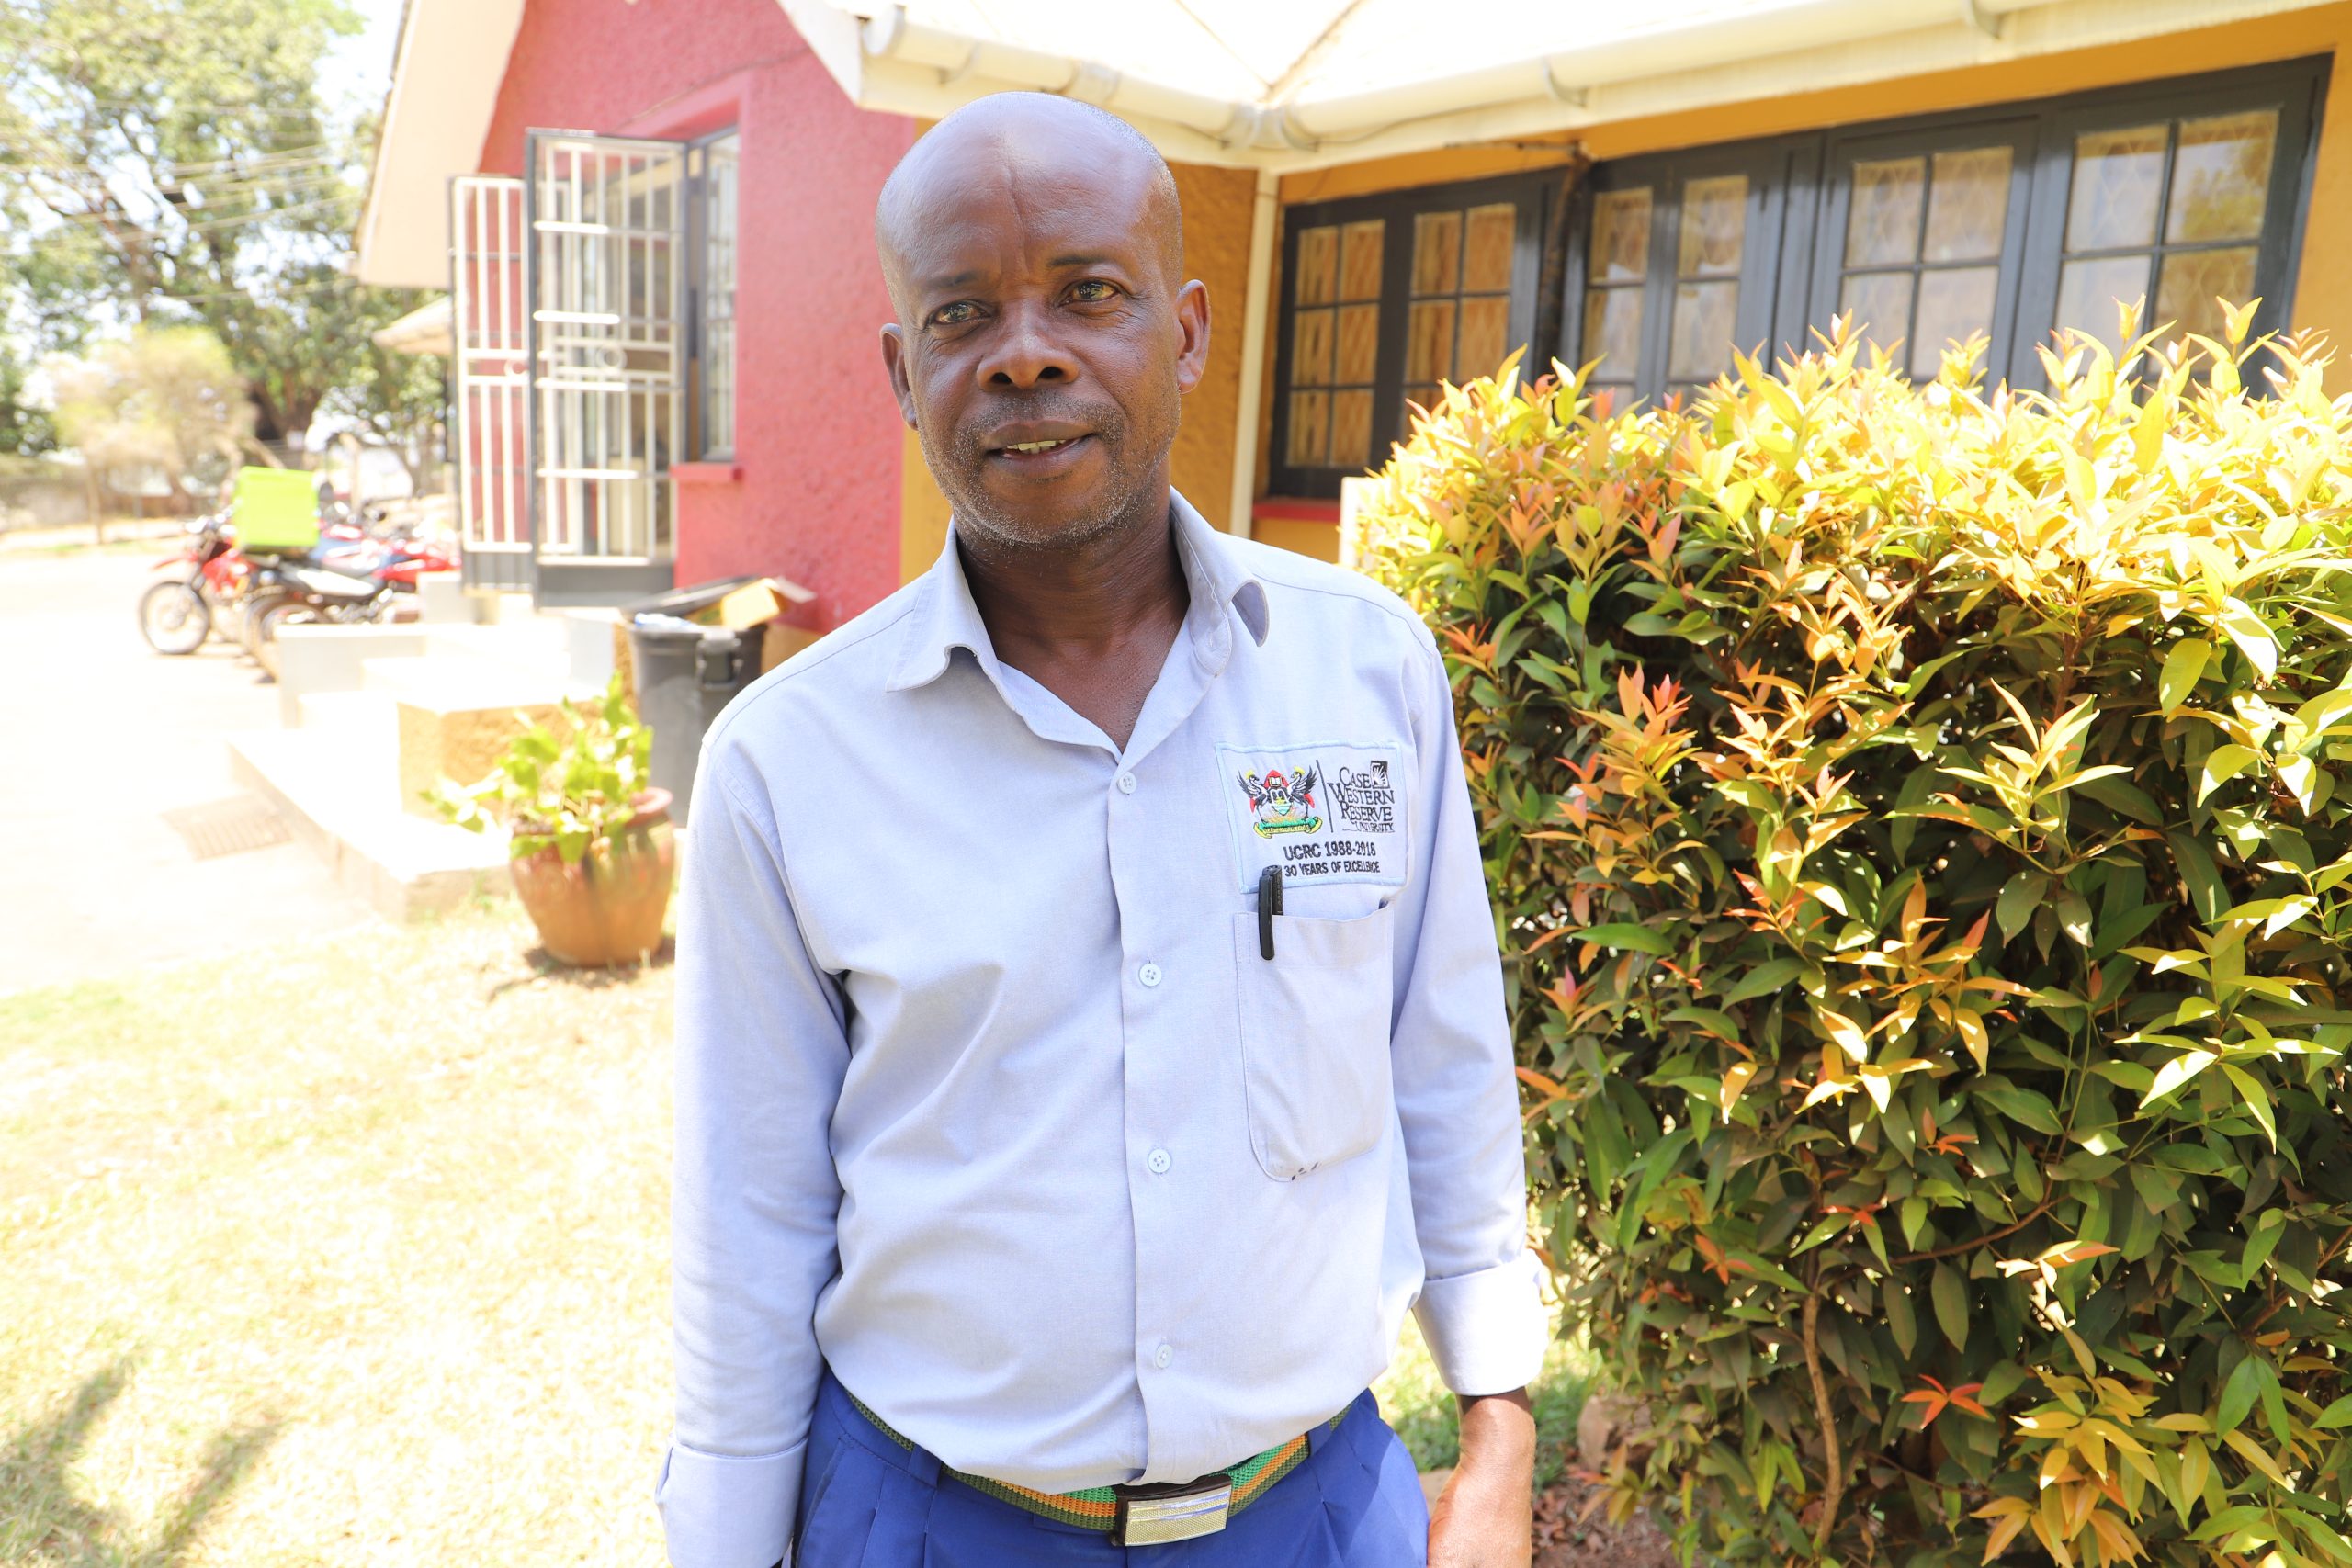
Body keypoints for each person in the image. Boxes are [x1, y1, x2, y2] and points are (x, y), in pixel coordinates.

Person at [660, 91, 1544, 1568]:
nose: (1026, 352)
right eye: (962, 313)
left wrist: (1500, 1428)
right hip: (936, 1525)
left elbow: (1442, 1059)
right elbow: (750, 1215)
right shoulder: (784, 764)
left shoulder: (1363, 671)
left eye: (1088, 292)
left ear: (1184, 332)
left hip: (1319, 1514)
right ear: (904, 371)